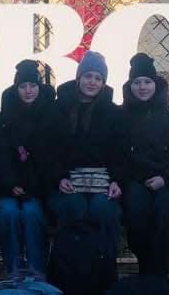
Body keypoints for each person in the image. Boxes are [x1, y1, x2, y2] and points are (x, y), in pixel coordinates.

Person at [118, 52, 169, 275]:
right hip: (135, 179)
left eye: (147, 82)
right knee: (136, 211)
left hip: (168, 180)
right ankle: (145, 267)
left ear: (156, 84)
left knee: (165, 211)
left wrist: (167, 178)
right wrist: (133, 177)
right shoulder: (121, 116)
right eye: (137, 82)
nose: (142, 87)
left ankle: (160, 269)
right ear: (130, 86)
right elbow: (117, 154)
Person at [47, 50, 124, 247]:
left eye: (98, 78)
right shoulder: (58, 109)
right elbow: (49, 149)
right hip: (66, 181)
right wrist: (59, 177)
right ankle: (69, 262)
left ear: (103, 83)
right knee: (73, 206)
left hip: (103, 183)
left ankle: (102, 262)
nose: (92, 82)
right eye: (88, 76)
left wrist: (116, 181)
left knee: (103, 209)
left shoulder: (113, 112)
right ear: (78, 78)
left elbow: (118, 152)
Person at [0, 59, 56, 277]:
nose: (28, 91)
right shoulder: (5, 117)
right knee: (8, 212)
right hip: (8, 188)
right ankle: (14, 270)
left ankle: (38, 269)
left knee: (31, 213)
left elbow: (50, 157)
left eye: (33, 85)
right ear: (16, 88)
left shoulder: (50, 115)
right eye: (23, 86)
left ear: (39, 87)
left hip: (39, 188)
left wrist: (30, 185)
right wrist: (11, 183)